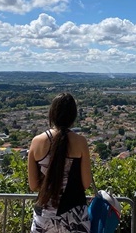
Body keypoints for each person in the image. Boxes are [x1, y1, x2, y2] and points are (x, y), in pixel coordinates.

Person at [28, 92, 92, 233]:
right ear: (73, 116)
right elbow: (86, 183)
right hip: (74, 215)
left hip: (44, 216)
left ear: (52, 114)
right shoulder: (80, 142)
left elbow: (33, 185)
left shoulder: (36, 142)